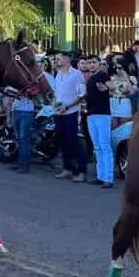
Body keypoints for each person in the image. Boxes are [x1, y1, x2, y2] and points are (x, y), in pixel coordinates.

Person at [51, 53, 85, 183]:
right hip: (58, 112)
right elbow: (56, 93)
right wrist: (55, 104)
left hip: (71, 112)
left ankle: (81, 171)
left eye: (59, 58)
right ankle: (67, 168)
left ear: (67, 59)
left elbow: (82, 94)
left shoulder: (76, 74)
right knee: (62, 140)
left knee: (73, 141)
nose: (57, 60)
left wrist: (68, 105)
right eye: (56, 58)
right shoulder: (58, 74)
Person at [85, 62, 115, 188]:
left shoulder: (103, 75)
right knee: (97, 146)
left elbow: (112, 87)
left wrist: (106, 89)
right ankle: (100, 176)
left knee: (104, 146)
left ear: (98, 64)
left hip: (102, 114)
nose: (91, 65)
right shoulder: (90, 78)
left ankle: (108, 178)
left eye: (93, 63)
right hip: (91, 113)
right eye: (88, 63)